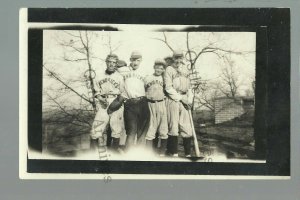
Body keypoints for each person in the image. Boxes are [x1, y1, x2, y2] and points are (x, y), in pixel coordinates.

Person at [108, 51, 150, 150]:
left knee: (142, 132)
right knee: (131, 132)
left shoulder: (145, 71)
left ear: (141, 61)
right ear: (130, 60)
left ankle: (139, 155)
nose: (135, 62)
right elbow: (112, 72)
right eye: (133, 60)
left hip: (143, 102)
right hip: (130, 104)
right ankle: (128, 155)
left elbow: (149, 86)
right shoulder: (123, 70)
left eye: (138, 60)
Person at [90, 54, 125, 153]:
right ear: (106, 62)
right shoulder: (99, 76)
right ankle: (92, 155)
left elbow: (123, 92)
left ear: (116, 64)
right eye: (109, 62)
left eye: (114, 62)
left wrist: (117, 103)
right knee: (96, 129)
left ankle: (114, 154)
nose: (111, 64)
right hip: (103, 102)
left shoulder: (120, 77)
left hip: (116, 101)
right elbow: (96, 91)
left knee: (116, 129)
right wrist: (100, 98)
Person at [163, 50, 194, 157]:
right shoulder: (169, 69)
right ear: (173, 58)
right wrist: (181, 98)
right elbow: (168, 88)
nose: (178, 60)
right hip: (173, 99)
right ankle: (174, 153)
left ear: (183, 58)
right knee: (173, 127)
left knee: (186, 127)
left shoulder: (186, 70)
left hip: (185, 99)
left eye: (180, 58)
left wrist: (189, 100)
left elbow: (190, 87)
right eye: (176, 58)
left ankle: (188, 154)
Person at [144, 59, 168, 156]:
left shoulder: (164, 79)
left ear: (163, 70)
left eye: (161, 68)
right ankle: (149, 153)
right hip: (150, 104)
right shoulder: (147, 78)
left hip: (162, 104)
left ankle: (162, 153)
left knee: (163, 129)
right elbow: (143, 90)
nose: (159, 70)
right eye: (157, 67)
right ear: (154, 67)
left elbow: (168, 90)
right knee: (151, 128)